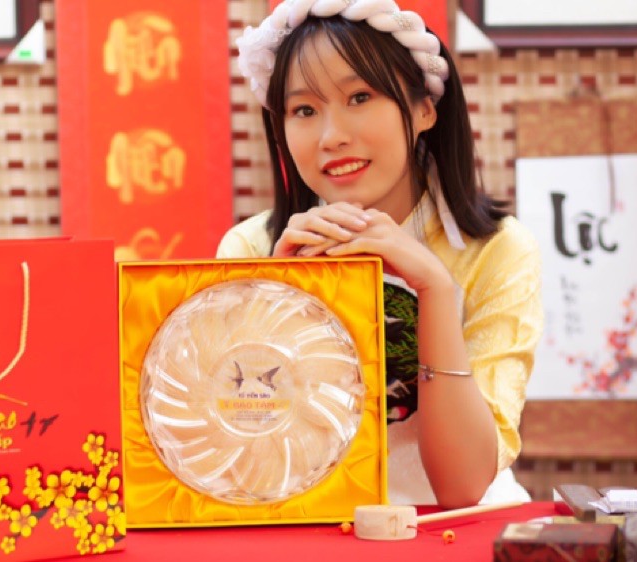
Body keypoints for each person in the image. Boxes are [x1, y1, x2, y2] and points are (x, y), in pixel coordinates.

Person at [219, 0, 542, 508]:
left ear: (424, 109)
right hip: (311, 527)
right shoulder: (252, 250)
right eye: (304, 110)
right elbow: (239, 462)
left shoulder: (495, 251)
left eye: (360, 96)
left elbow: (461, 487)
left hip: (455, 529)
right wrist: (282, 296)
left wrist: (435, 289)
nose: (332, 136)